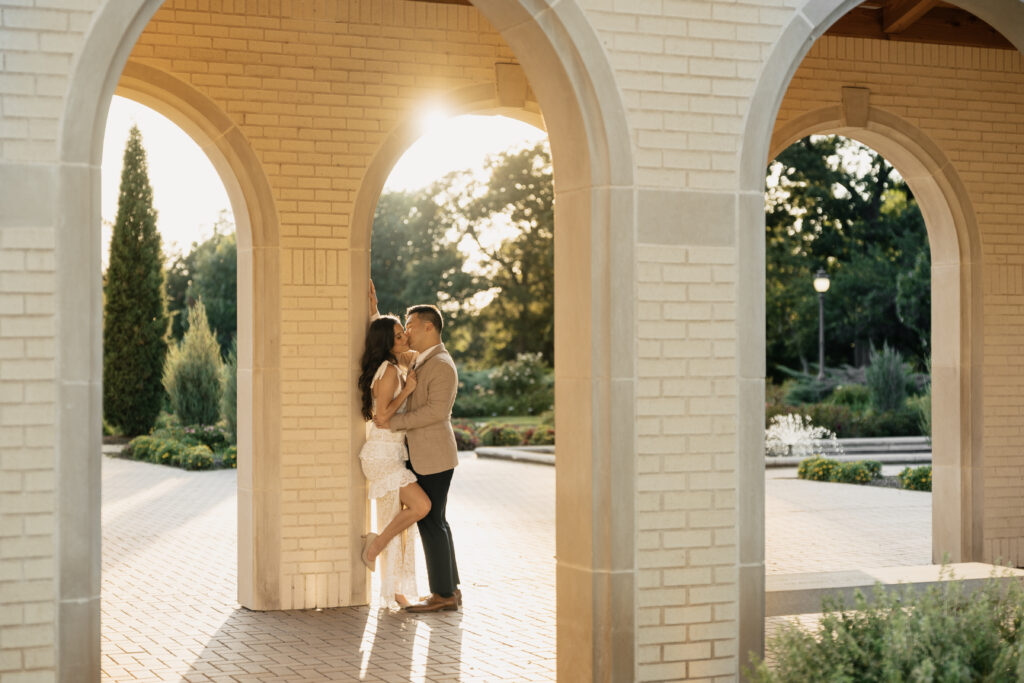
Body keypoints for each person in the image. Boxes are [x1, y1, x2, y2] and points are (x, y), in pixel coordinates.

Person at [373, 297, 461, 613]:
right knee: (437, 519)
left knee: (431, 522)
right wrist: (374, 310)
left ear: (428, 327)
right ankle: (451, 588)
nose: (406, 332)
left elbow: (436, 412)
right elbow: (388, 341)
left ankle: (443, 595)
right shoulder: (422, 357)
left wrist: (392, 422)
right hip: (428, 455)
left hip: (434, 456)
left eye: (410, 326)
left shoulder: (440, 364)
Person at [356, 303, 432, 609]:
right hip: (381, 456)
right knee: (421, 506)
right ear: (388, 344)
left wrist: (374, 311)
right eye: (399, 336)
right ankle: (375, 546)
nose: (405, 339)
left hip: (390, 454)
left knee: (400, 522)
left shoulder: (393, 366)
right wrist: (408, 390)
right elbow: (383, 416)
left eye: (404, 333)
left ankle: (398, 593)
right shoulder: (388, 372)